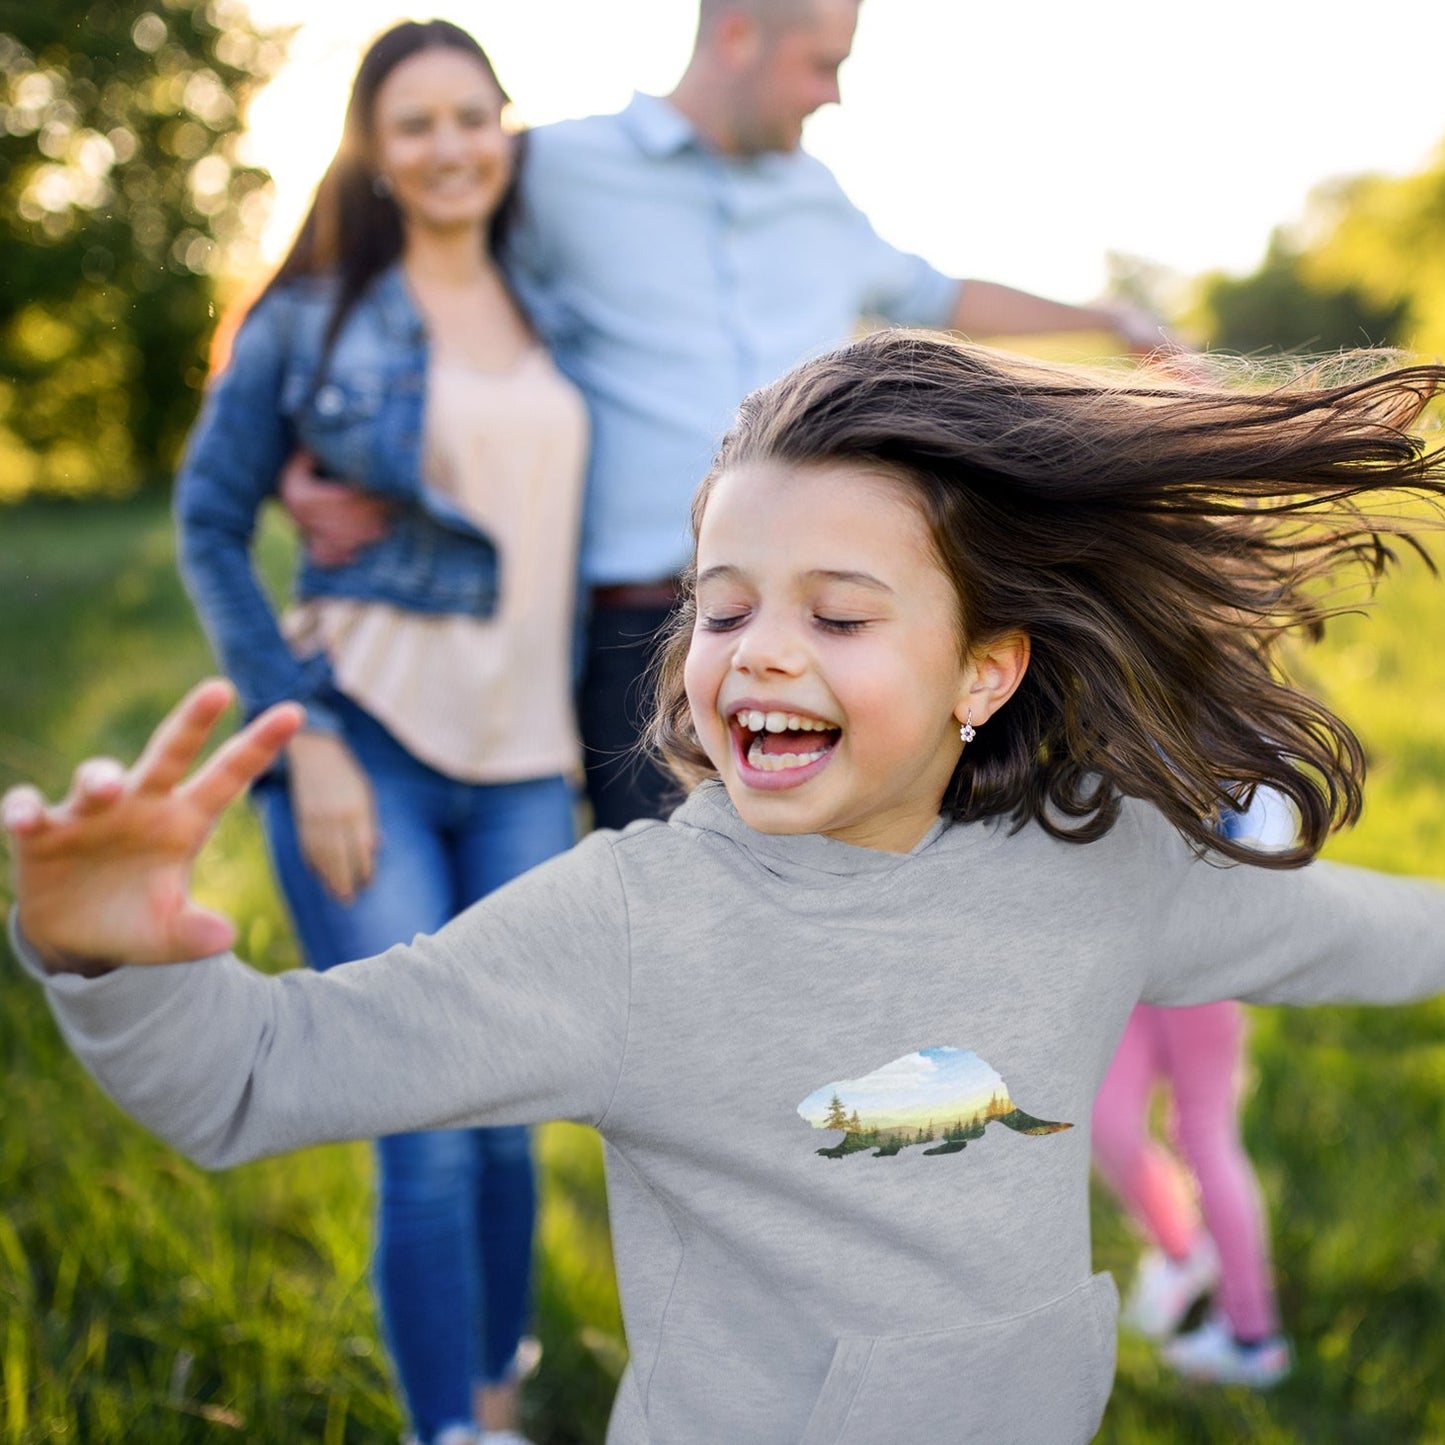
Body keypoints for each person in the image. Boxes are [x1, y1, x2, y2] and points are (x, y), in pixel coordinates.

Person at [13, 333, 1445, 1444]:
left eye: (835, 613)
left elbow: (1358, 931)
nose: (756, 650)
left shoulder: (1097, 869)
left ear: (984, 670)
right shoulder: (628, 930)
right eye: (721, 603)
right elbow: (255, 1077)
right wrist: (115, 961)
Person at [281, 0, 1176, 832]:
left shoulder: (818, 199)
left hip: (829, 620)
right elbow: (387, 254)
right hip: (638, 634)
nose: (832, 94)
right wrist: (302, 449)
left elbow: (938, 291)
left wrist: (1113, 321)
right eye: (820, 64)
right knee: (680, 929)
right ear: (738, 36)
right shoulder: (555, 167)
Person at [172, 20, 587, 1445]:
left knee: (510, 1108)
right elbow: (210, 524)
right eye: (414, 122)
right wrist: (305, 737)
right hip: (369, 751)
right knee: (424, 1122)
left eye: (472, 116)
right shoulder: (312, 320)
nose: (450, 145)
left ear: (503, 128)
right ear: (371, 145)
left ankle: (491, 1395)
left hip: (531, 765)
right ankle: (444, 1433)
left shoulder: (555, 305)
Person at [1092, 789, 1299, 1389]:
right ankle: (1182, 1253)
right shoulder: (1106, 710)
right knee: (1106, 1121)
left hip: (1201, 964)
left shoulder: (1229, 732)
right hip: (1126, 960)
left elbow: (1271, 832)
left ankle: (1253, 1338)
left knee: (1202, 1133)